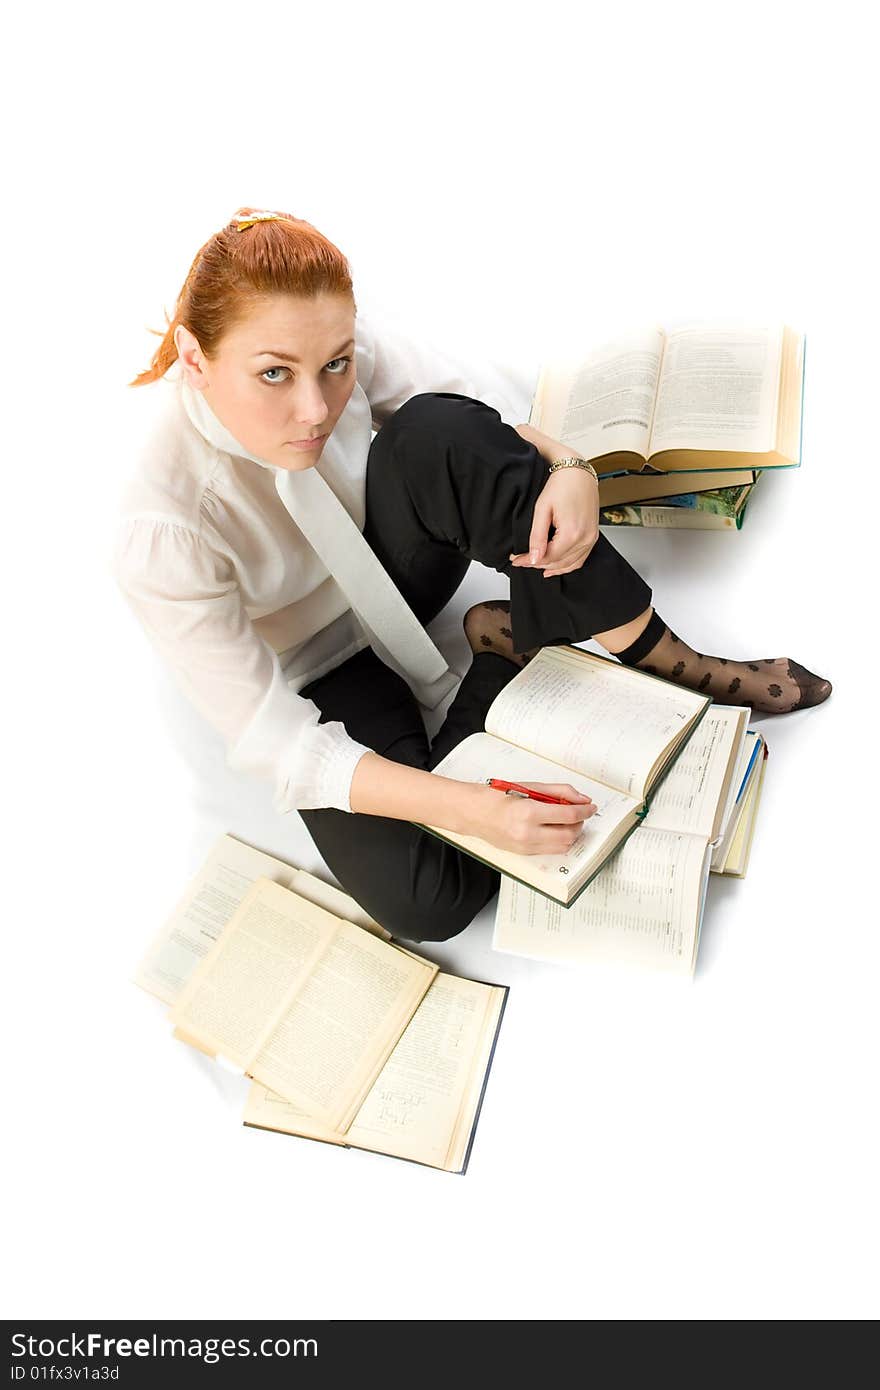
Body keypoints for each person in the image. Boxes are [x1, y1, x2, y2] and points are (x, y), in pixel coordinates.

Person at [113, 206, 832, 943]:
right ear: (194, 359)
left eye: (335, 364)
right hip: (316, 667)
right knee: (426, 899)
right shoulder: (157, 527)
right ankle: (501, 649)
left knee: (432, 431)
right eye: (273, 374)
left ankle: (675, 662)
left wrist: (573, 466)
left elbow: (476, 426)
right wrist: (468, 807)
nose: (315, 407)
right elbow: (278, 744)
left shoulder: (333, 346)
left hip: (396, 569)